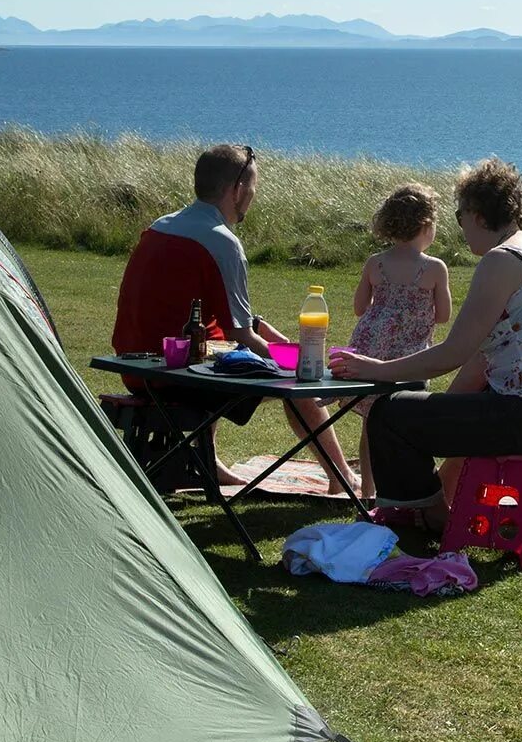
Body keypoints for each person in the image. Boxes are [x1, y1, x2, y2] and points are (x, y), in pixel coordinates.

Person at [330, 158, 522, 526]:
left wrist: (379, 370)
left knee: (388, 414)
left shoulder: (501, 260)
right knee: (413, 411)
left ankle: (425, 518)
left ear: (477, 213)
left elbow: (453, 352)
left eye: (459, 216)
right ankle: (432, 507)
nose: (460, 227)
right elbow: (478, 361)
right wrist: (435, 410)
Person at [112, 143, 355, 492]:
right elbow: (240, 336)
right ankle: (341, 476)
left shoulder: (161, 226)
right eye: (253, 189)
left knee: (222, 349)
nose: (252, 197)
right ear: (238, 190)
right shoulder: (221, 241)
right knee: (296, 380)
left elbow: (203, 314)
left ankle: (210, 462)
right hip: (177, 377)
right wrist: (293, 360)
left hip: (135, 367)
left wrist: (259, 329)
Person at [346, 183, 453, 499]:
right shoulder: (433, 268)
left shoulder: (375, 263)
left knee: (371, 424)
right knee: (406, 421)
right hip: (407, 357)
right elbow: (444, 315)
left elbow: (359, 308)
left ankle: (368, 490)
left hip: (370, 351)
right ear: (425, 225)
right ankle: (410, 492)